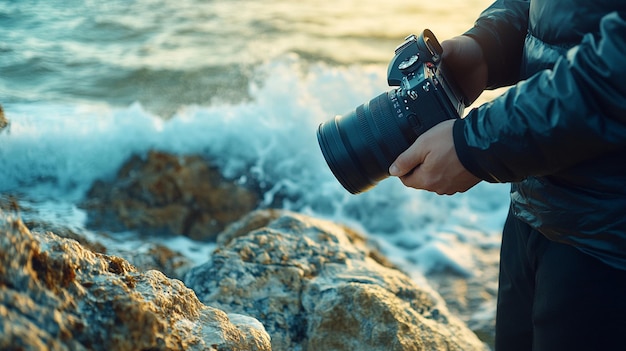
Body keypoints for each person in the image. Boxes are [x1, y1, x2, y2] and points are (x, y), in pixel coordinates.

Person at [388, 1, 626, 350]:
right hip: (534, 211)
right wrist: (485, 46)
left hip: (609, 245)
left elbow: (616, 72)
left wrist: (475, 145)